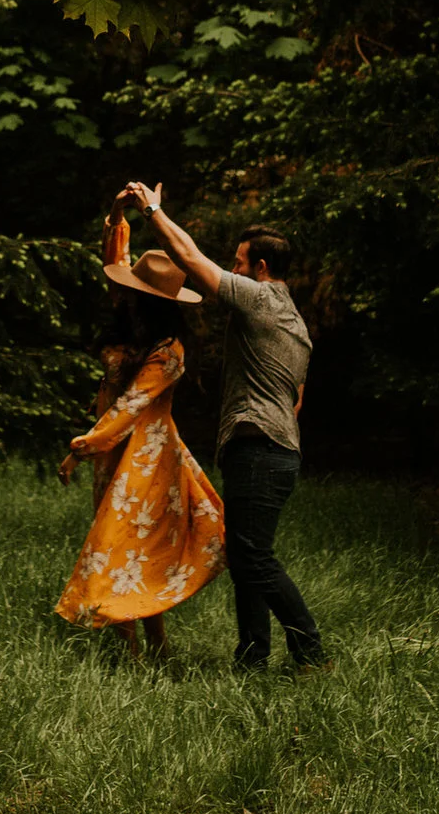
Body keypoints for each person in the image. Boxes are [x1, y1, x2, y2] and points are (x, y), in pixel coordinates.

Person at [120, 180, 324, 671]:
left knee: (254, 558)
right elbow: (295, 400)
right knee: (246, 556)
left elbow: (191, 260)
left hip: (258, 448)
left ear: (260, 268)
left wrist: (153, 211)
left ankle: (312, 653)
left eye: (237, 261)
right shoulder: (294, 322)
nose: (231, 268)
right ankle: (252, 657)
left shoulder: (260, 299)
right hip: (276, 450)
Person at [52, 194, 226, 660]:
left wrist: (80, 447)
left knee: (128, 540)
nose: (122, 292)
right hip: (111, 451)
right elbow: (117, 261)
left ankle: (140, 644)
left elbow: (131, 407)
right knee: (125, 541)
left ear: (149, 302)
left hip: (147, 454)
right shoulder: (131, 315)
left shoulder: (168, 352)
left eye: (131, 291)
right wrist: (115, 213)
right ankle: (148, 642)